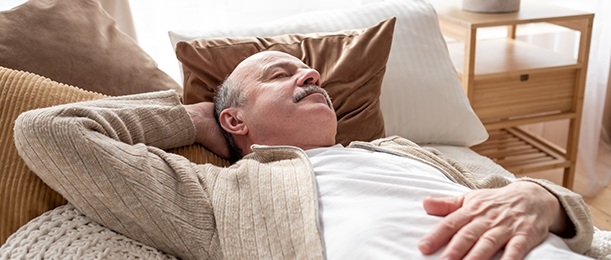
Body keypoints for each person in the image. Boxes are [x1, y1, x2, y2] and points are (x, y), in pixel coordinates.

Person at [14, 50, 593, 260]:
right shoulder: (217, 195)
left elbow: (552, 212)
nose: (311, 72)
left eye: (308, 68)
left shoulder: (401, 150)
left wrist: (540, 196)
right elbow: (47, 133)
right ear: (235, 118)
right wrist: (194, 116)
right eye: (279, 72)